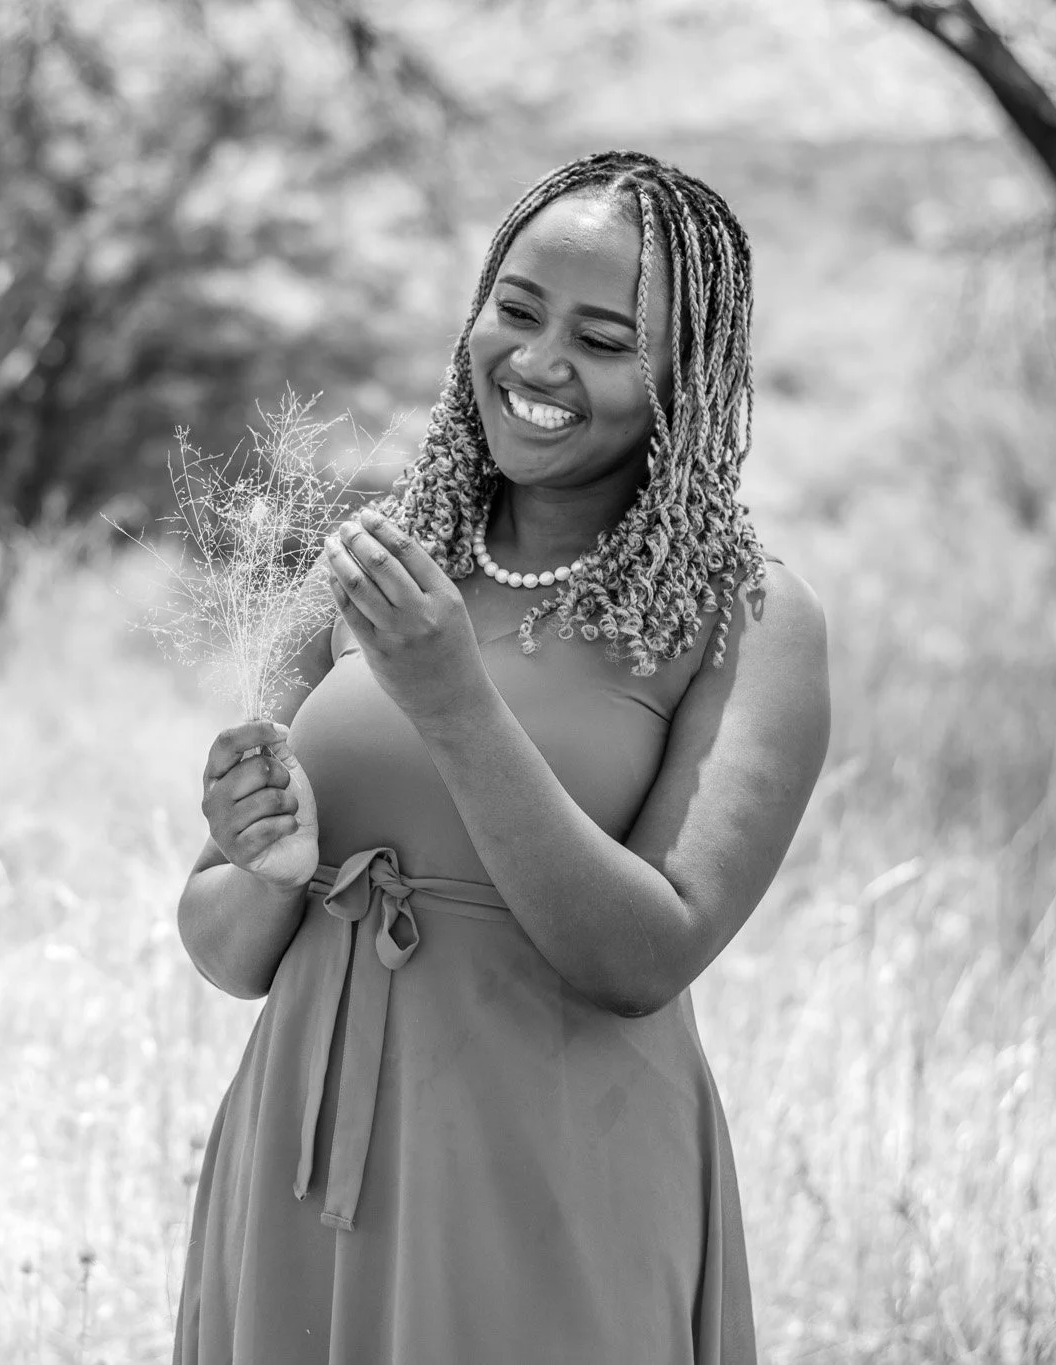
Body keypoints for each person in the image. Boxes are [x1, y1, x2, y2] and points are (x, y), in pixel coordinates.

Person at [172, 149, 832, 1364]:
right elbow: (221, 950)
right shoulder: (378, 566)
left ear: (683, 378)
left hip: (553, 1183)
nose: (537, 361)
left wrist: (454, 704)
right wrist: (267, 871)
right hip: (303, 1179)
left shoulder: (747, 619)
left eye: (602, 338)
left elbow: (643, 956)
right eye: (516, 310)